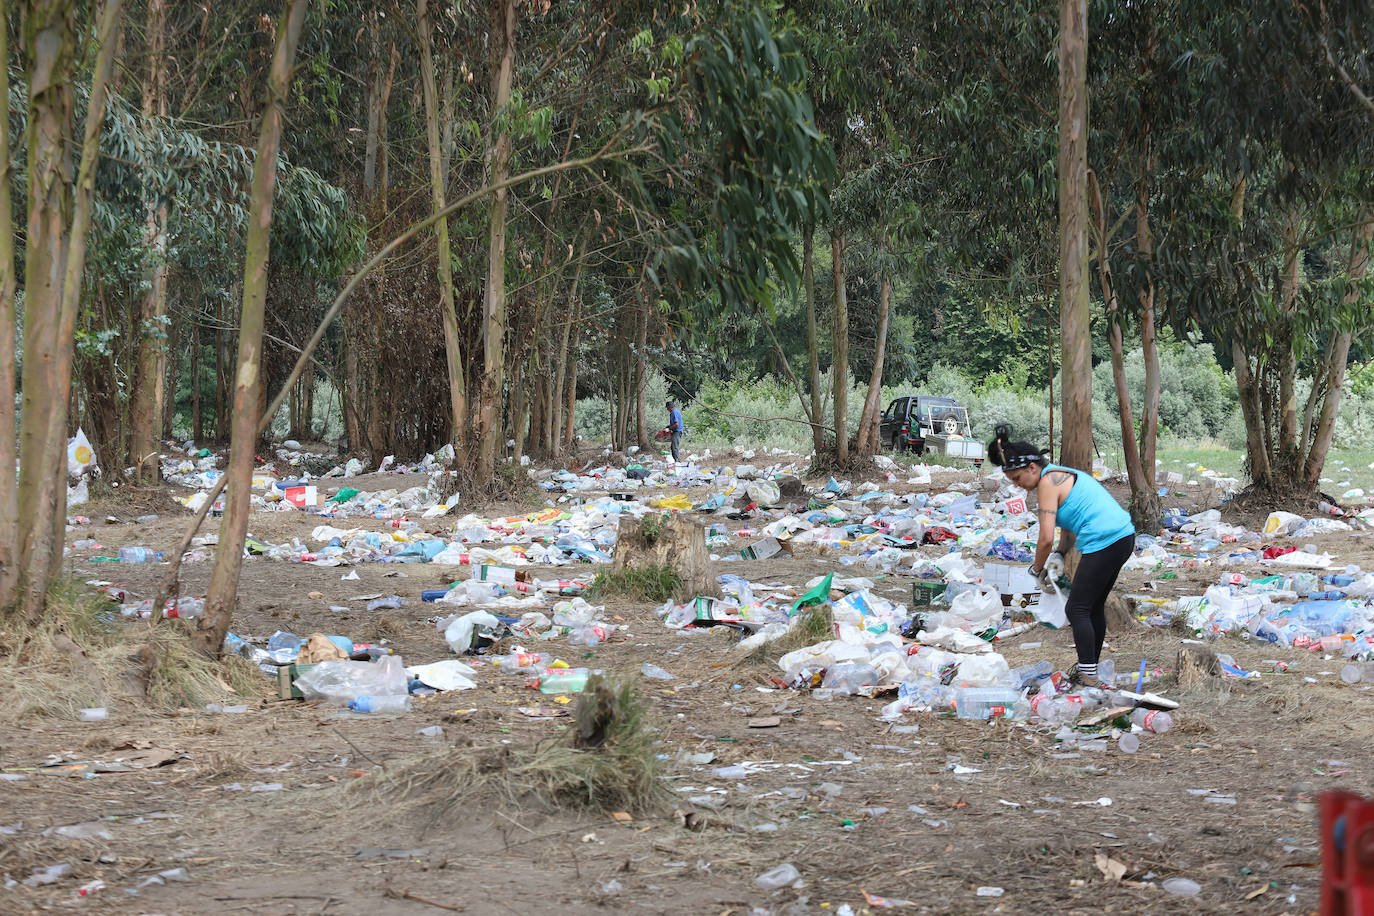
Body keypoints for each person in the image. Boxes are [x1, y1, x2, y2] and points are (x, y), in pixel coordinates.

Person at [988, 425, 1135, 688]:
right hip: (1123, 536)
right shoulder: (1061, 474)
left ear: (1032, 467)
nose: (1018, 486)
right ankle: (1089, 669)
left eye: (1018, 479)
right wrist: (1059, 553)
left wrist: (1035, 570)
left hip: (1104, 540)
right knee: (1091, 607)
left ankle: (1088, 675)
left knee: (1076, 608)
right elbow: (1067, 529)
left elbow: (1044, 537)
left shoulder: (1047, 482)